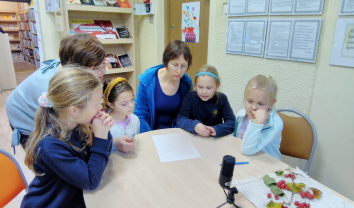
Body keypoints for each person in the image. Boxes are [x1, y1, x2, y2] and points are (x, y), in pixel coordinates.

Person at [21, 67, 114, 208]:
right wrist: (100, 137)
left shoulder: (76, 125)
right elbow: (90, 181)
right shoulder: (50, 147)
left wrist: (104, 131)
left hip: (75, 195)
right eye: (96, 104)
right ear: (74, 111)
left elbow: (98, 157)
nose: (100, 108)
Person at [6, 33, 108, 150]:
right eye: (96, 68)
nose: (103, 72)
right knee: (47, 156)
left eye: (104, 64)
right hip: (24, 117)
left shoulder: (69, 65)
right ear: (76, 70)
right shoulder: (54, 88)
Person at [134, 40, 193, 133]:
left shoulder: (186, 83)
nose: (179, 71)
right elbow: (140, 116)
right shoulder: (147, 81)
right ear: (166, 63)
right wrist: (151, 138)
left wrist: (174, 133)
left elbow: (187, 114)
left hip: (177, 133)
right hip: (150, 132)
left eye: (183, 66)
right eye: (175, 65)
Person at [177, 65, 235, 137]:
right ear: (195, 84)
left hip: (214, 141)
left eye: (209, 88)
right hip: (193, 139)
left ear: (217, 86)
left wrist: (216, 129)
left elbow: (232, 122)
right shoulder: (189, 98)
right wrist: (195, 126)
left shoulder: (222, 99)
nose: (204, 92)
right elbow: (180, 119)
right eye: (200, 87)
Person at [234, 75, 283, 159]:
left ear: (271, 103)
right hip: (244, 159)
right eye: (250, 101)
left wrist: (258, 122)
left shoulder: (275, 124)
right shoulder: (241, 115)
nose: (254, 107)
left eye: (260, 104)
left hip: (266, 165)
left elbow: (247, 150)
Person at [103, 77, 140, 152]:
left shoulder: (135, 120)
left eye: (132, 100)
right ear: (111, 105)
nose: (131, 105)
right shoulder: (105, 124)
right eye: (124, 104)